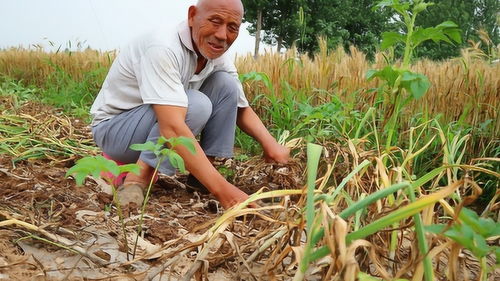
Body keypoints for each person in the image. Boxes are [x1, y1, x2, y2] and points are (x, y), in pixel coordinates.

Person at [89, 0, 289, 210]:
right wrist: (226, 193)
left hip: (153, 126)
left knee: (226, 85)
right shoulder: (163, 46)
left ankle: (201, 177)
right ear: (192, 16)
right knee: (196, 103)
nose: (222, 35)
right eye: (215, 21)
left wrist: (271, 145)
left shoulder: (214, 52)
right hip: (116, 131)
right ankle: (137, 179)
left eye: (232, 28)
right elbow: (172, 127)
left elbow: (240, 107)